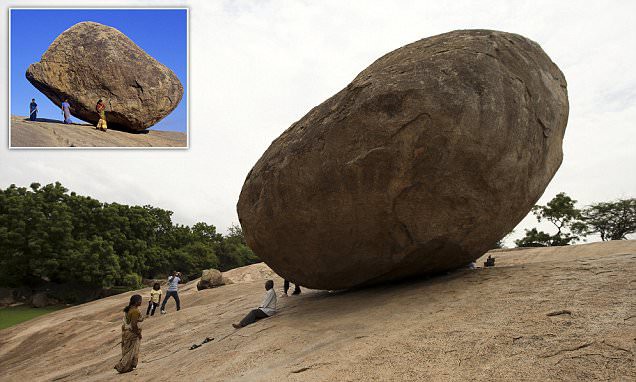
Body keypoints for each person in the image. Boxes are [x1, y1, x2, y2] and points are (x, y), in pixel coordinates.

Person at [114, 294, 144, 373]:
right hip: (132, 333)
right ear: (136, 301)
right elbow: (134, 324)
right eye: (140, 300)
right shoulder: (135, 311)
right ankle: (122, 366)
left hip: (126, 332)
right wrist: (138, 333)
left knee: (127, 349)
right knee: (131, 350)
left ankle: (129, 366)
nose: (141, 301)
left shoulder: (129, 309)